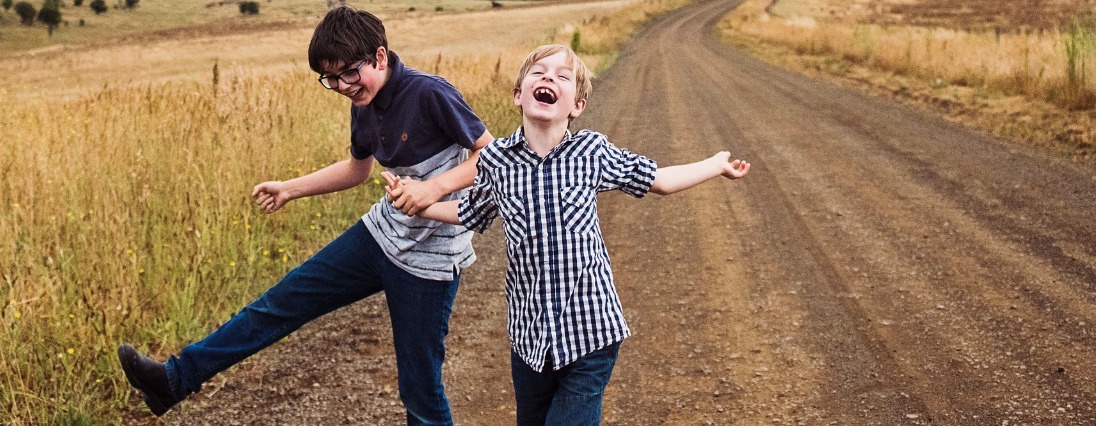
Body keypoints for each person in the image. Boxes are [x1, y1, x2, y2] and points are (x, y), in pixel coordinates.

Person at [117, 6, 493, 424]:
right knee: (281, 301)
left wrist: (433, 188)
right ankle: (174, 379)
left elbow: (492, 157)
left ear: (381, 57)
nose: (342, 86)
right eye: (330, 79)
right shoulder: (364, 103)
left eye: (350, 73)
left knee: (419, 388)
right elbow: (358, 168)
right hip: (383, 234)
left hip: (430, 257)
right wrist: (290, 189)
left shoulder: (429, 93)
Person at [384, 44, 750, 425]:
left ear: (577, 105)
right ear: (518, 95)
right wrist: (418, 203)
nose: (548, 79)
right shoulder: (497, 161)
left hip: (590, 331)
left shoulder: (591, 152)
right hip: (529, 340)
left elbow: (659, 180)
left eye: (562, 77)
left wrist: (714, 165)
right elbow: (471, 211)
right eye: (539, 72)